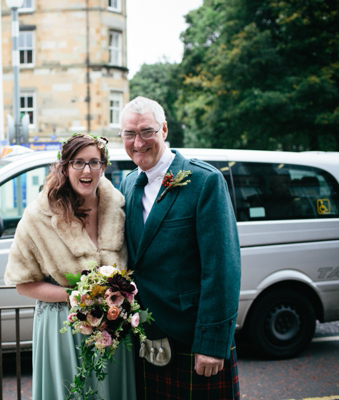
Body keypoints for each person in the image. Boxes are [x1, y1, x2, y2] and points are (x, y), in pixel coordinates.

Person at [118, 96, 242, 399]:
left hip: (193, 339)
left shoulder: (204, 181)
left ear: (164, 129)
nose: (137, 142)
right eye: (129, 134)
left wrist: (212, 344)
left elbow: (222, 268)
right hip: (147, 339)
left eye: (146, 131)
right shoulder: (127, 185)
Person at [4, 133, 136, 400]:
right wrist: (80, 297)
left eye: (94, 162)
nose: (87, 170)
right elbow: (23, 284)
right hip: (63, 329)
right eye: (78, 162)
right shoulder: (38, 216)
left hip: (113, 329)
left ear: (103, 167)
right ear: (64, 167)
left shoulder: (120, 208)